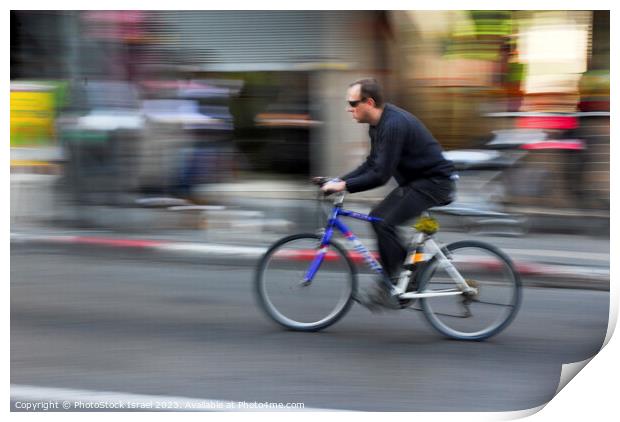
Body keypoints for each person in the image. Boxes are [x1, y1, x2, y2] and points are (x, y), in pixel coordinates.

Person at [318, 78, 457, 309]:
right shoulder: (377, 126)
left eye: (352, 103)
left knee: (384, 222)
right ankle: (403, 278)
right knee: (378, 217)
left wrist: (344, 187)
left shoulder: (393, 124)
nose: (348, 109)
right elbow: (372, 164)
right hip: (416, 182)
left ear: (369, 102)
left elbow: (381, 175)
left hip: (434, 183)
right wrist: (340, 180)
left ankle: (404, 279)